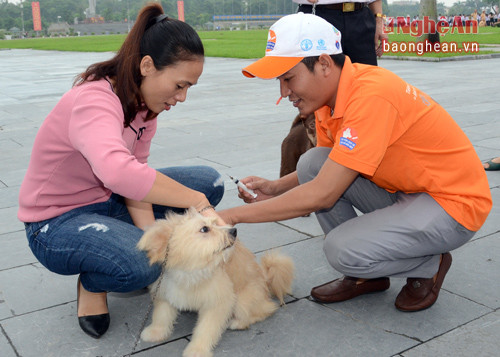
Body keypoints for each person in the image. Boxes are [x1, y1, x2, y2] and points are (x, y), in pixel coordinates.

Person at [218, 13, 492, 312]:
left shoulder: (371, 95)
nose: (284, 92)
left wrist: (230, 217)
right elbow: (325, 171)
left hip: (452, 204)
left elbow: (323, 193)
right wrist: (275, 187)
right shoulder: (329, 100)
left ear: (324, 64)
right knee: (313, 162)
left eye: (288, 78)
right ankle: (367, 275)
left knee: (340, 249)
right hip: (409, 191)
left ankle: (428, 263)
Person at [18, 3, 225, 339]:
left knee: (210, 181)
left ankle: (128, 252)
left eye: (189, 88)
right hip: (55, 221)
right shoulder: (94, 100)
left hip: (107, 202)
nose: (183, 97)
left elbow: (134, 180)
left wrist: (156, 242)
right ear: (147, 66)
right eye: (179, 85)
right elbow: (117, 171)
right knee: (143, 261)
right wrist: (195, 203)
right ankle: (92, 282)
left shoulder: (146, 109)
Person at [292, 0, 387, 65]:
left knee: (366, 82)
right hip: (317, 14)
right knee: (315, 84)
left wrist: (379, 21)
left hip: (361, 17)